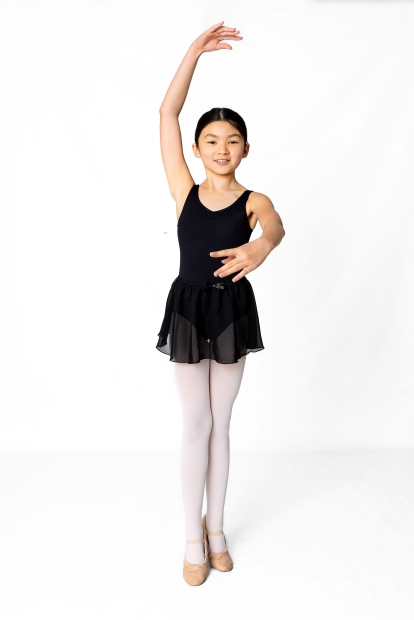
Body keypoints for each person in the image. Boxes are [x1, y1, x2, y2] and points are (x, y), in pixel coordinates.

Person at [156, 21, 286, 586]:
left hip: (232, 312)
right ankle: (192, 536)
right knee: (196, 422)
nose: (221, 149)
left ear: (245, 149)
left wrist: (262, 245)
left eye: (232, 140)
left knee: (222, 424)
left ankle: (217, 530)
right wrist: (194, 53)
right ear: (196, 149)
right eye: (211, 140)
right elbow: (167, 113)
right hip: (189, 310)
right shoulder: (184, 191)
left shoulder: (254, 199)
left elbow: (276, 226)